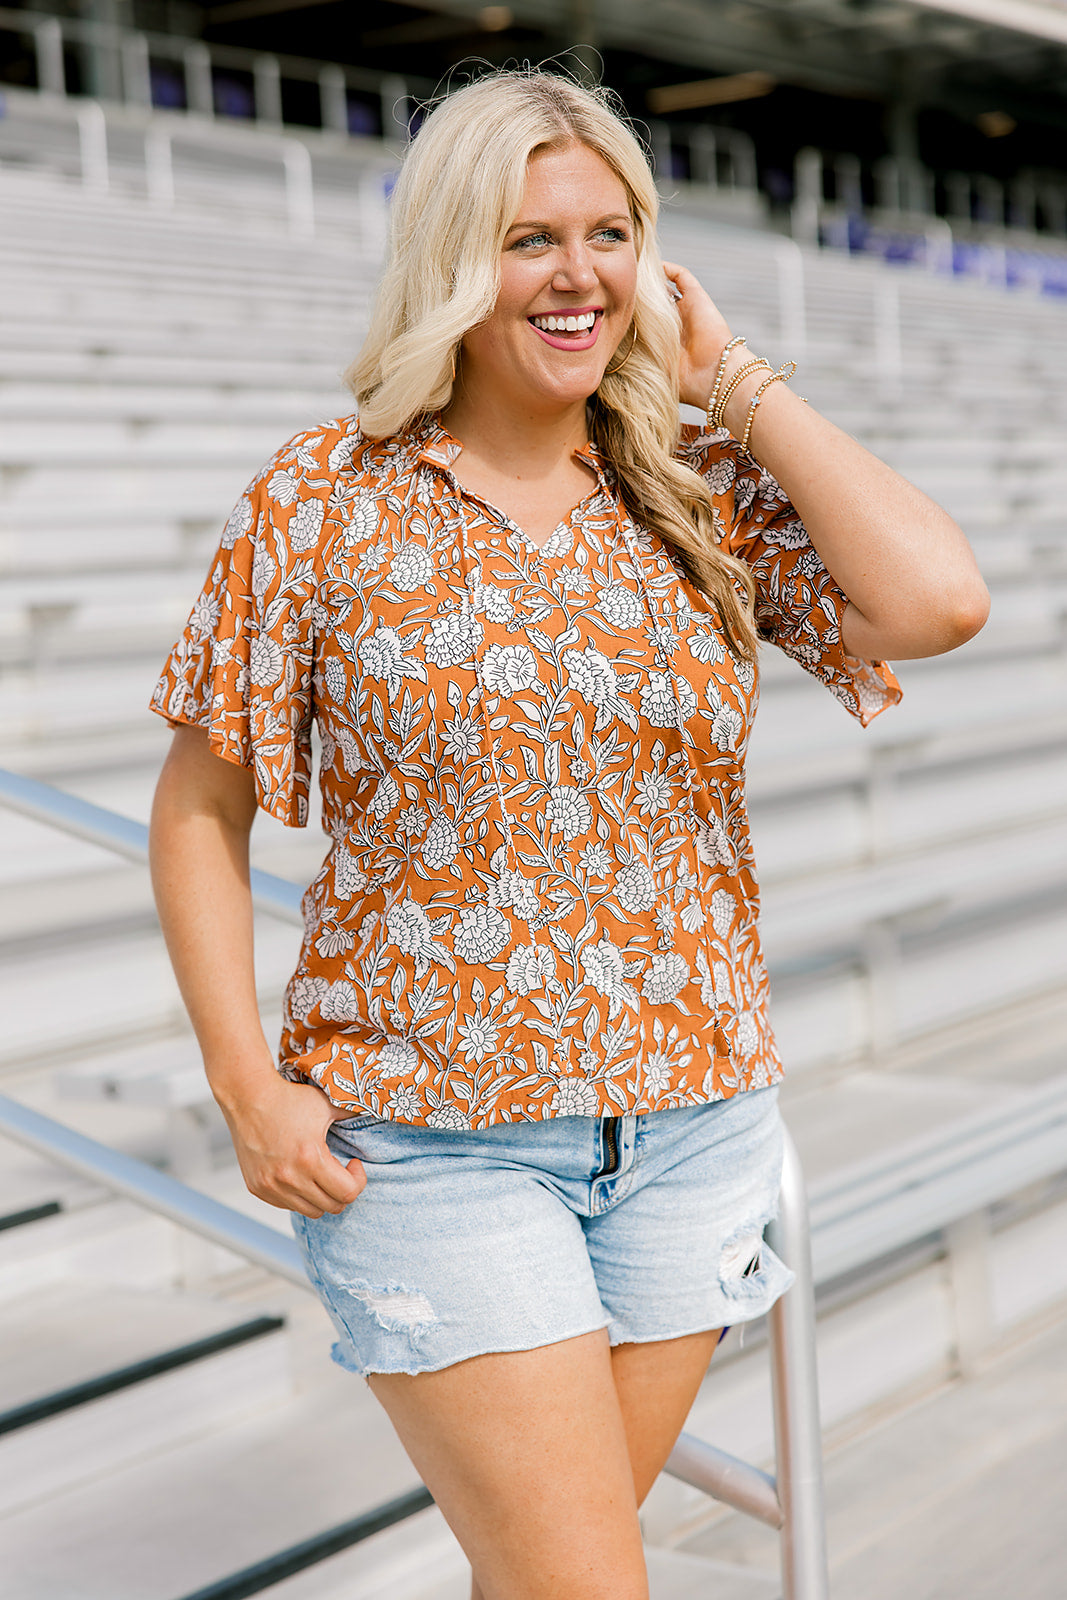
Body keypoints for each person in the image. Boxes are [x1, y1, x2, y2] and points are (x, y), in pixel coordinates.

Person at [148, 68, 989, 1600]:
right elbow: (199, 812)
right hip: (434, 1147)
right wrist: (244, 1087)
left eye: (612, 233)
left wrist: (730, 373)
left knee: (540, 1580)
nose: (578, 274)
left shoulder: (693, 495)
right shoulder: (326, 503)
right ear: (456, 259)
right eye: (533, 237)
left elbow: (938, 601)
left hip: (691, 1130)